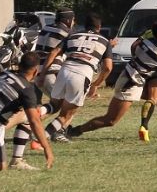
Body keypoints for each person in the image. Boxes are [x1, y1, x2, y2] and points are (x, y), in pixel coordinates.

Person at [66, 20, 157, 142]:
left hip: (129, 77)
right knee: (111, 120)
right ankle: (74, 131)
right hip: (130, 84)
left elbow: (135, 47)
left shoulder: (147, 41)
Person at [40, 12, 113, 142]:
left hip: (64, 70)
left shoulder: (73, 35)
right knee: (66, 114)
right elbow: (108, 67)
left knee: (53, 105)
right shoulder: (105, 41)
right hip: (82, 73)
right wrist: (96, 84)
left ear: (85, 25)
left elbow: (54, 52)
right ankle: (41, 138)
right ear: (99, 27)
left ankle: (33, 116)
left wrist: (43, 73)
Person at [34, 7, 75, 99]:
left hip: (37, 72)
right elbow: (52, 53)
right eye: (73, 19)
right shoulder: (67, 33)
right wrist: (43, 75)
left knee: (55, 103)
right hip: (51, 73)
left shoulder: (45, 28)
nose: (74, 22)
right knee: (64, 103)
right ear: (68, 20)